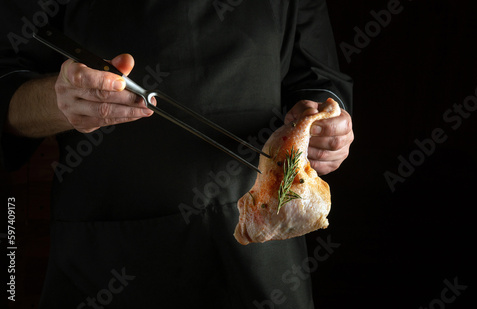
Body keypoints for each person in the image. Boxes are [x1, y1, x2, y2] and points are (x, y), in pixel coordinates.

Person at [1, 1, 354, 308]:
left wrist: (328, 127)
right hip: (110, 256)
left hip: (263, 252)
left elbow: (317, 76)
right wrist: (58, 100)